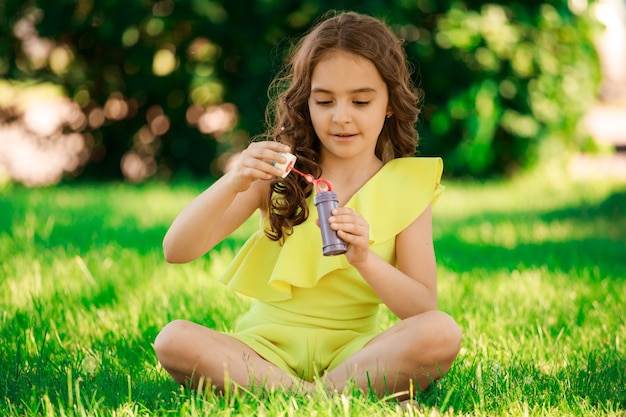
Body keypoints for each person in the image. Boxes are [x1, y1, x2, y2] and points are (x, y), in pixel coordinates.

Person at [154, 10, 462, 399]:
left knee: (442, 332)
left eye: (361, 101)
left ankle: (293, 395)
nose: (341, 117)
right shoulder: (278, 174)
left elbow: (422, 310)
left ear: (388, 103)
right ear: (306, 102)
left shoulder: (407, 185)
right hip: (264, 353)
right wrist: (233, 180)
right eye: (324, 100)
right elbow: (177, 250)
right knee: (173, 339)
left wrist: (365, 260)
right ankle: (328, 398)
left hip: (356, 354)